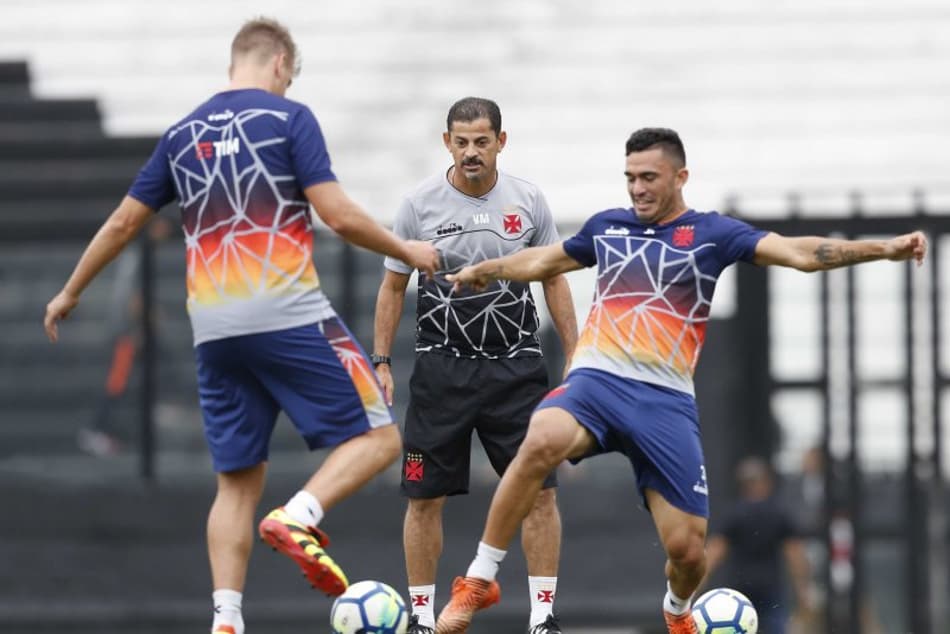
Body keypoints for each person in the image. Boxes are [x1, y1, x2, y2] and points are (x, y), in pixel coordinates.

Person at [431, 127, 927, 634]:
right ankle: (479, 579)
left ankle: (676, 608)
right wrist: (491, 268)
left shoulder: (713, 233)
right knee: (539, 439)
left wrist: (883, 250)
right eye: (630, 178)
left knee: (688, 551)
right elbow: (544, 259)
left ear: (680, 176)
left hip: (664, 402)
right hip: (598, 382)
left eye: (649, 177)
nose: (637, 189)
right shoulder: (608, 227)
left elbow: (801, 254)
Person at [43, 18, 439, 634]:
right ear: (279, 62)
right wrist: (406, 250)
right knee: (381, 438)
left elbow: (123, 223)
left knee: (235, 481)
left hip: (214, 331)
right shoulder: (288, 119)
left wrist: (70, 291)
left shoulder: (181, 134)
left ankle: (226, 620)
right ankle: (301, 516)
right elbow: (335, 212)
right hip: (285, 311)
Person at [372, 97, 578, 634]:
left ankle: (543, 619)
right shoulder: (418, 205)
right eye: (461, 142)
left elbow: (554, 277)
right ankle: (420, 619)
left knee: (540, 492)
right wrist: (381, 360)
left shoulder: (528, 201)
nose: (471, 152)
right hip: (443, 371)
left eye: (481, 142)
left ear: (500, 143)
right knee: (423, 497)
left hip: (517, 370)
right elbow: (394, 284)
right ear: (447, 144)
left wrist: (577, 354)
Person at [702, 456, 815, 634]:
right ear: (766, 482)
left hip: (740, 590)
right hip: (771, 588)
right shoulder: (778, 513)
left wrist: (696, 586)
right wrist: (803, 590)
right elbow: (795, 555)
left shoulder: (735, 514)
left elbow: (714, 553)